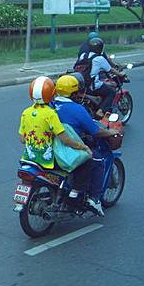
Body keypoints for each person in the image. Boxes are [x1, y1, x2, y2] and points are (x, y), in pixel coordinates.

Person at [53, 74, 121, 216]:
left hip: (51, 148)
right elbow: (95, 131)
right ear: (73, 93)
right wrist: (110, 132)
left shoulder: (50, 105)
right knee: (97, 160)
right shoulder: (77, 109)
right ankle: (94, 199)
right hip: (70, 148)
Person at [18, 76, 92, 206]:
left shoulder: (26, 112)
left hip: (29, 158)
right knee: (86, 161)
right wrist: (83, 147)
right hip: (48, 161)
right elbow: (65, 140)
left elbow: (22, 139)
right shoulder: (51, 114)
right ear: (53, 93)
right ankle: (74, 193)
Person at [81, 37, 126, 117]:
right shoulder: (100, 59)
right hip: (92, 86)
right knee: (111, 92)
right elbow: (111, 69)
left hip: (82, 84)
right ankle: (101, 111)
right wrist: (120, 74)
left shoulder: (83, 55)